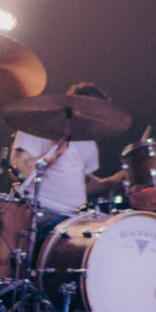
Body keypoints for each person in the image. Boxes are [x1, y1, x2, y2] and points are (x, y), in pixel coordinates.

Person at [10, 82, 126, 249]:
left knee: (110, 237)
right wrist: (50, 157)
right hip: (42, 212)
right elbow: (18, 170)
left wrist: (111, 182)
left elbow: (84, 184)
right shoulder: (36, 128)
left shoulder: (88, 143)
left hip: (75, 217)